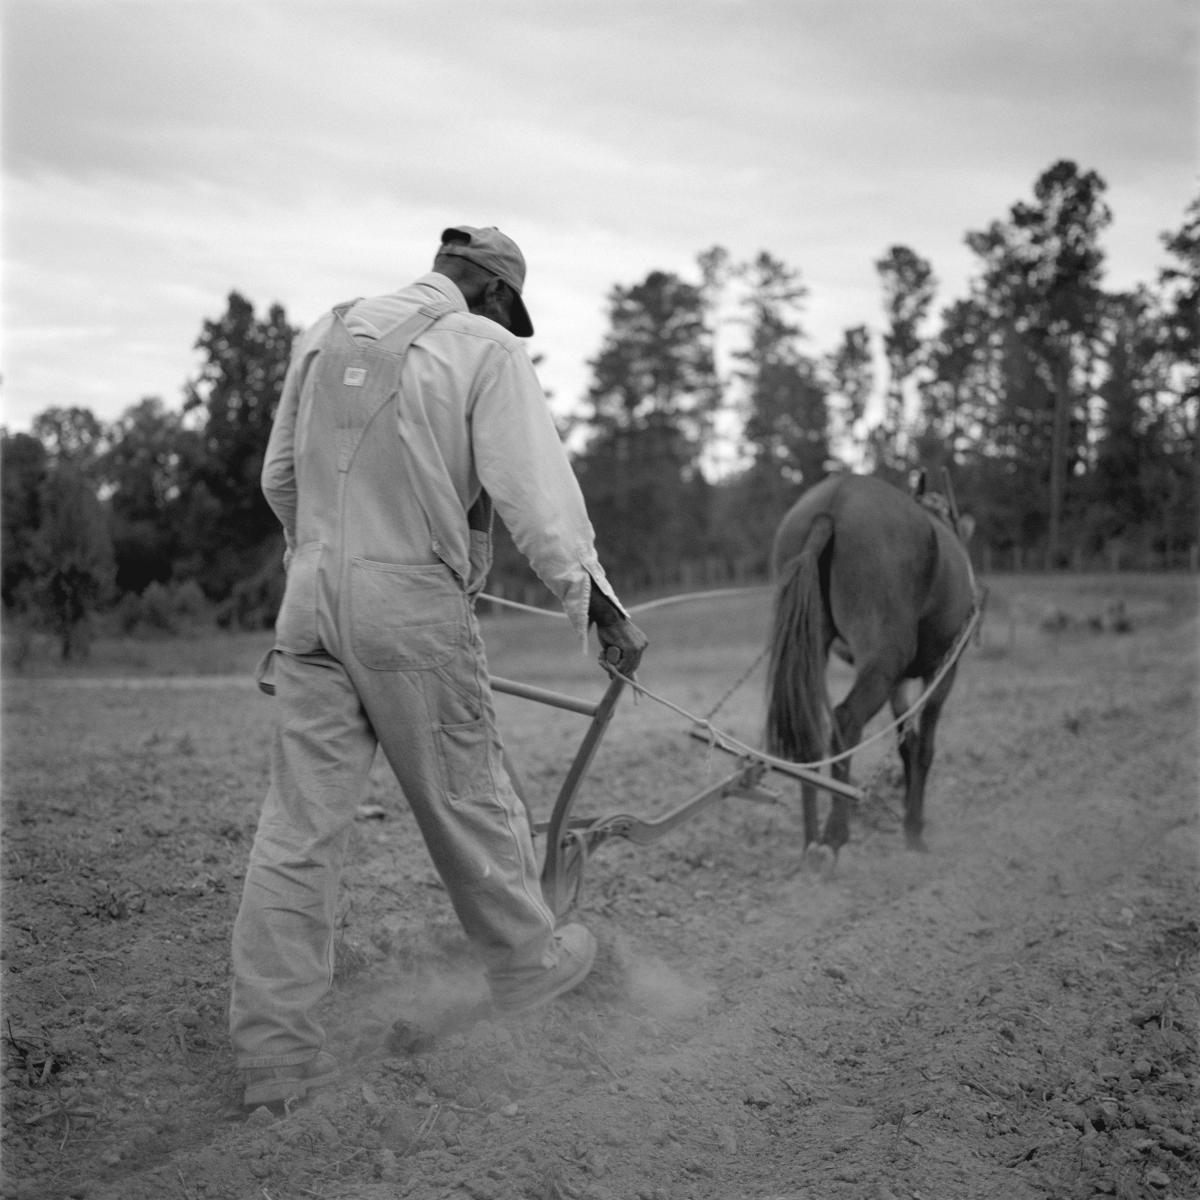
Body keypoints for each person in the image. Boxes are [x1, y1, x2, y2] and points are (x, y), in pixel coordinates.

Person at [230, 225, 648, 1109]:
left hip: (308, 599)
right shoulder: (484, 347)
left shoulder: (329, 327)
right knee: (467, 798)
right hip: (410, 606)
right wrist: (599, 606)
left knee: (297, 832)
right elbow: (536, 492)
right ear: (495, 294)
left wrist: (321, 560)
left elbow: (277, 477)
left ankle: (273, 1057)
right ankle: (531, 965)